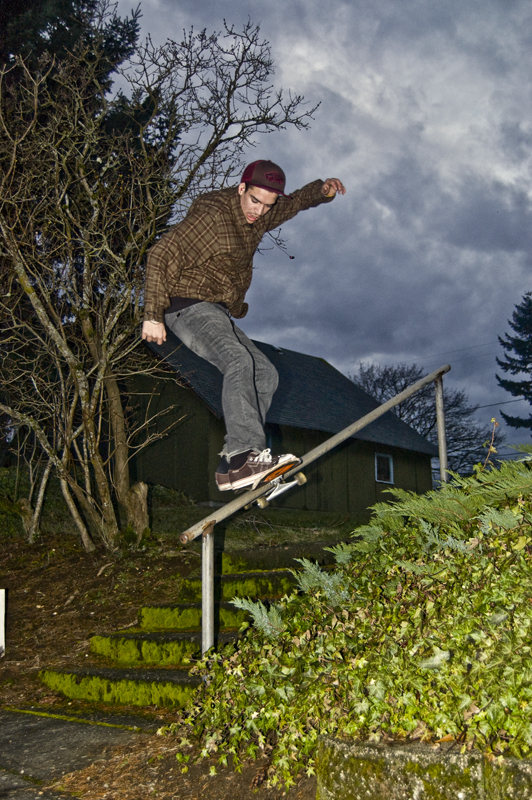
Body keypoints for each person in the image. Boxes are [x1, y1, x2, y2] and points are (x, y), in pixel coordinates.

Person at [142, 159, 345, 492]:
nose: (260, 211)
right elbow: (161, 254)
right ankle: (242, 457)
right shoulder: (213, 217)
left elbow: (289, 205)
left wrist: (320, 192)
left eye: (267, 205)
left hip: (214, 309)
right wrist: (152, 313)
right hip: (186, 306)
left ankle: (235, 467)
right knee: (238, 362)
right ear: (241, 188)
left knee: (265, 374)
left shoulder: (258, 215)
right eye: (254, 201)